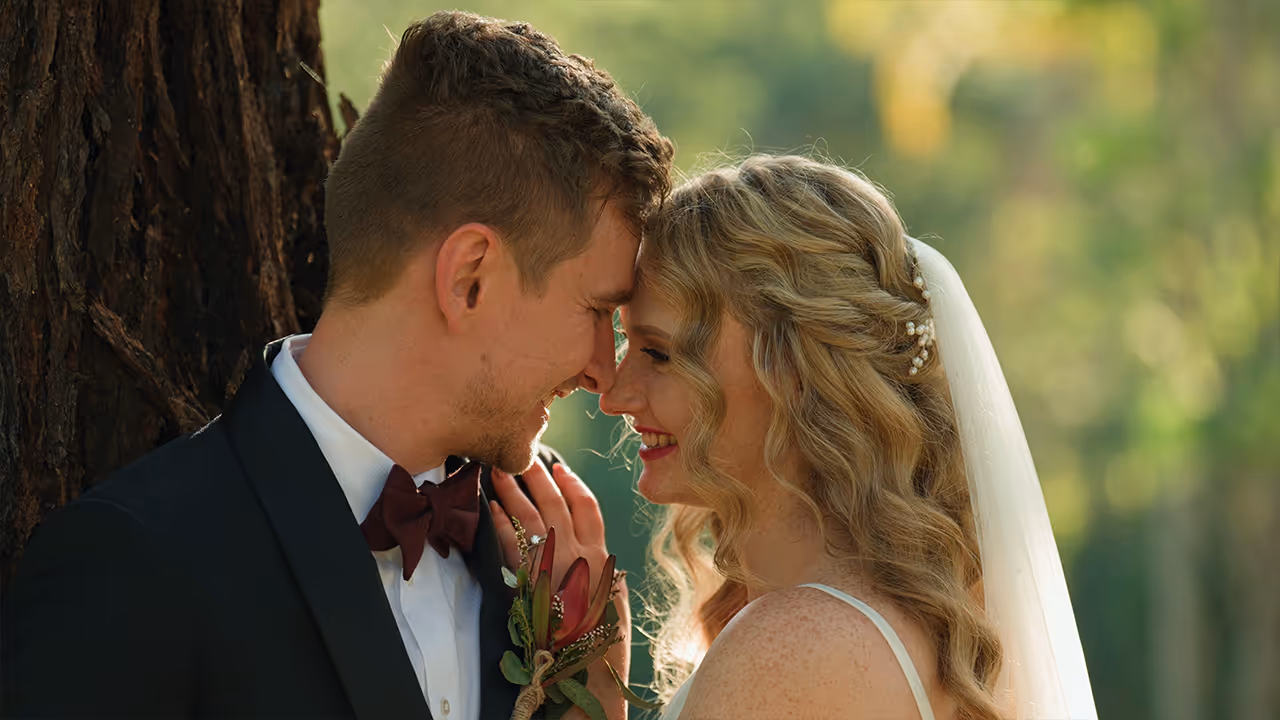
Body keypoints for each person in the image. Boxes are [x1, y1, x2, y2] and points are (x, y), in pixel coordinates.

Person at [2, 11, 672, 720]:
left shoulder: (551, 564)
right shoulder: (134, 564)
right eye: (596, 311)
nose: (604, 373)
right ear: (469, 278)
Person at [497, 154, 1097, 719]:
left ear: (792, 373)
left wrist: (592, 692)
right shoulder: (883, 626)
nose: (614, 395)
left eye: (658, 353)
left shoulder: (795, 649)